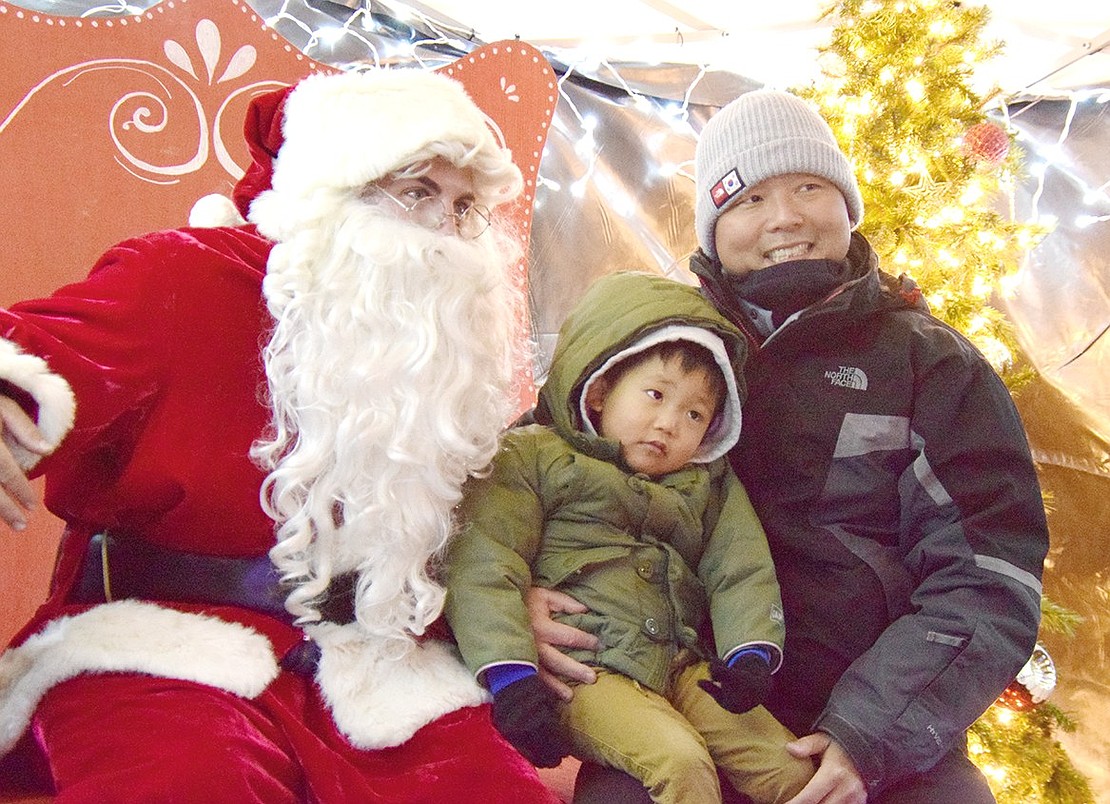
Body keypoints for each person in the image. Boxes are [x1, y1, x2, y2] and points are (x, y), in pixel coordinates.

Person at [0, 68, 560, 802]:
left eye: (463, 209)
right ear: (332, 197)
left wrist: (508, 610)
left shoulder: (442, 362)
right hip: (159, 652)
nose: (446, 237)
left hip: (377, 675)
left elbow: (458, 542)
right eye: (418, 194)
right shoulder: (189, 275)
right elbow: (43, 353)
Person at [530, 89, 1049, 804]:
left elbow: (988, 570)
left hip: (871, 725)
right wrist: (524, 598)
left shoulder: (931, 362)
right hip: (671, 703)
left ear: (846, 201)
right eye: (748, 199)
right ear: (715, 227)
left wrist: (871, 733)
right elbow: (518, 479)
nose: (784, 218)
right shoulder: (657, 345)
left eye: (809, 186)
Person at [445, 270, 815, 803]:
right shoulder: (534, 457)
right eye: (654, 395)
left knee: (787, 766)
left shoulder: (707, 484)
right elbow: (486, 563)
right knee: (680, 763)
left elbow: (741, 569)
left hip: (681, 664)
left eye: (694, 413)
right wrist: (510, 676)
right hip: (589, 674)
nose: (669, 423)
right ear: (599, 392)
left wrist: (749, 653)